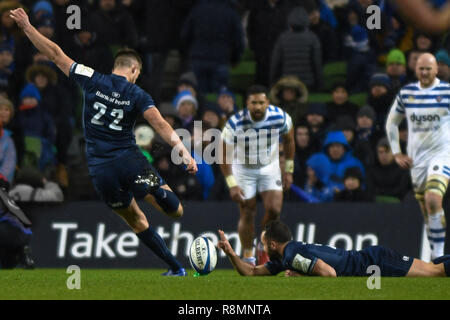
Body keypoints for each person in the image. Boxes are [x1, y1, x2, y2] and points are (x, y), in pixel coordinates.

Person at [10, 8, 198, 276]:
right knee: (176, 212)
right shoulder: (137, 92)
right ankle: (154, 189)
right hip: (130, 160)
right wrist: (183, 152)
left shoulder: (92, 78)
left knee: (136, 221)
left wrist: (28, 27)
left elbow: (54, 54)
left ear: (114, 67)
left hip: (101, 168)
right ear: (134, 69)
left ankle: (176, 268)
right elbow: (160, 124)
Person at [220, 84, 295, 266]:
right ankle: (248, 256)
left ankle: (263, 247)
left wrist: (289, 170)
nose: (258, 107)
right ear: (247, 103)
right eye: (254, 103)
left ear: (267, 102)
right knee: (247, 212)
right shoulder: (235, 122)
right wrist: (232, 183)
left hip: (270, 166)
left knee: (275, 209)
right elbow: (223, 154)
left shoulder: (281, 117)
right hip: (244, 169)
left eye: (261, 102)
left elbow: (289, 140)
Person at [217, 220, 450, 278]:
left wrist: (303, 274)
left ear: (274, 244)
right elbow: (251, 272)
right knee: (434, 267)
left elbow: (329, 273)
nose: (263, 248)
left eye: (264, 243)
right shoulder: (285, 258)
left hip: (375, 262)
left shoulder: (291, 255)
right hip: (371, 261)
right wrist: (231, 254)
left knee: (435, 272)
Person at [385, 52, 450, 260]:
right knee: (427, 210)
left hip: (442, 154)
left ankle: (438, 258)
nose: (424, 72)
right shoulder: (407, 93)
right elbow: (391, 123)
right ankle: (435, 255)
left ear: (436, 70)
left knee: (433, 198)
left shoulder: (447, 92)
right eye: (421, 68)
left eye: (428, 69)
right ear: (416, 70)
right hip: (417, 160)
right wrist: (396, 152)